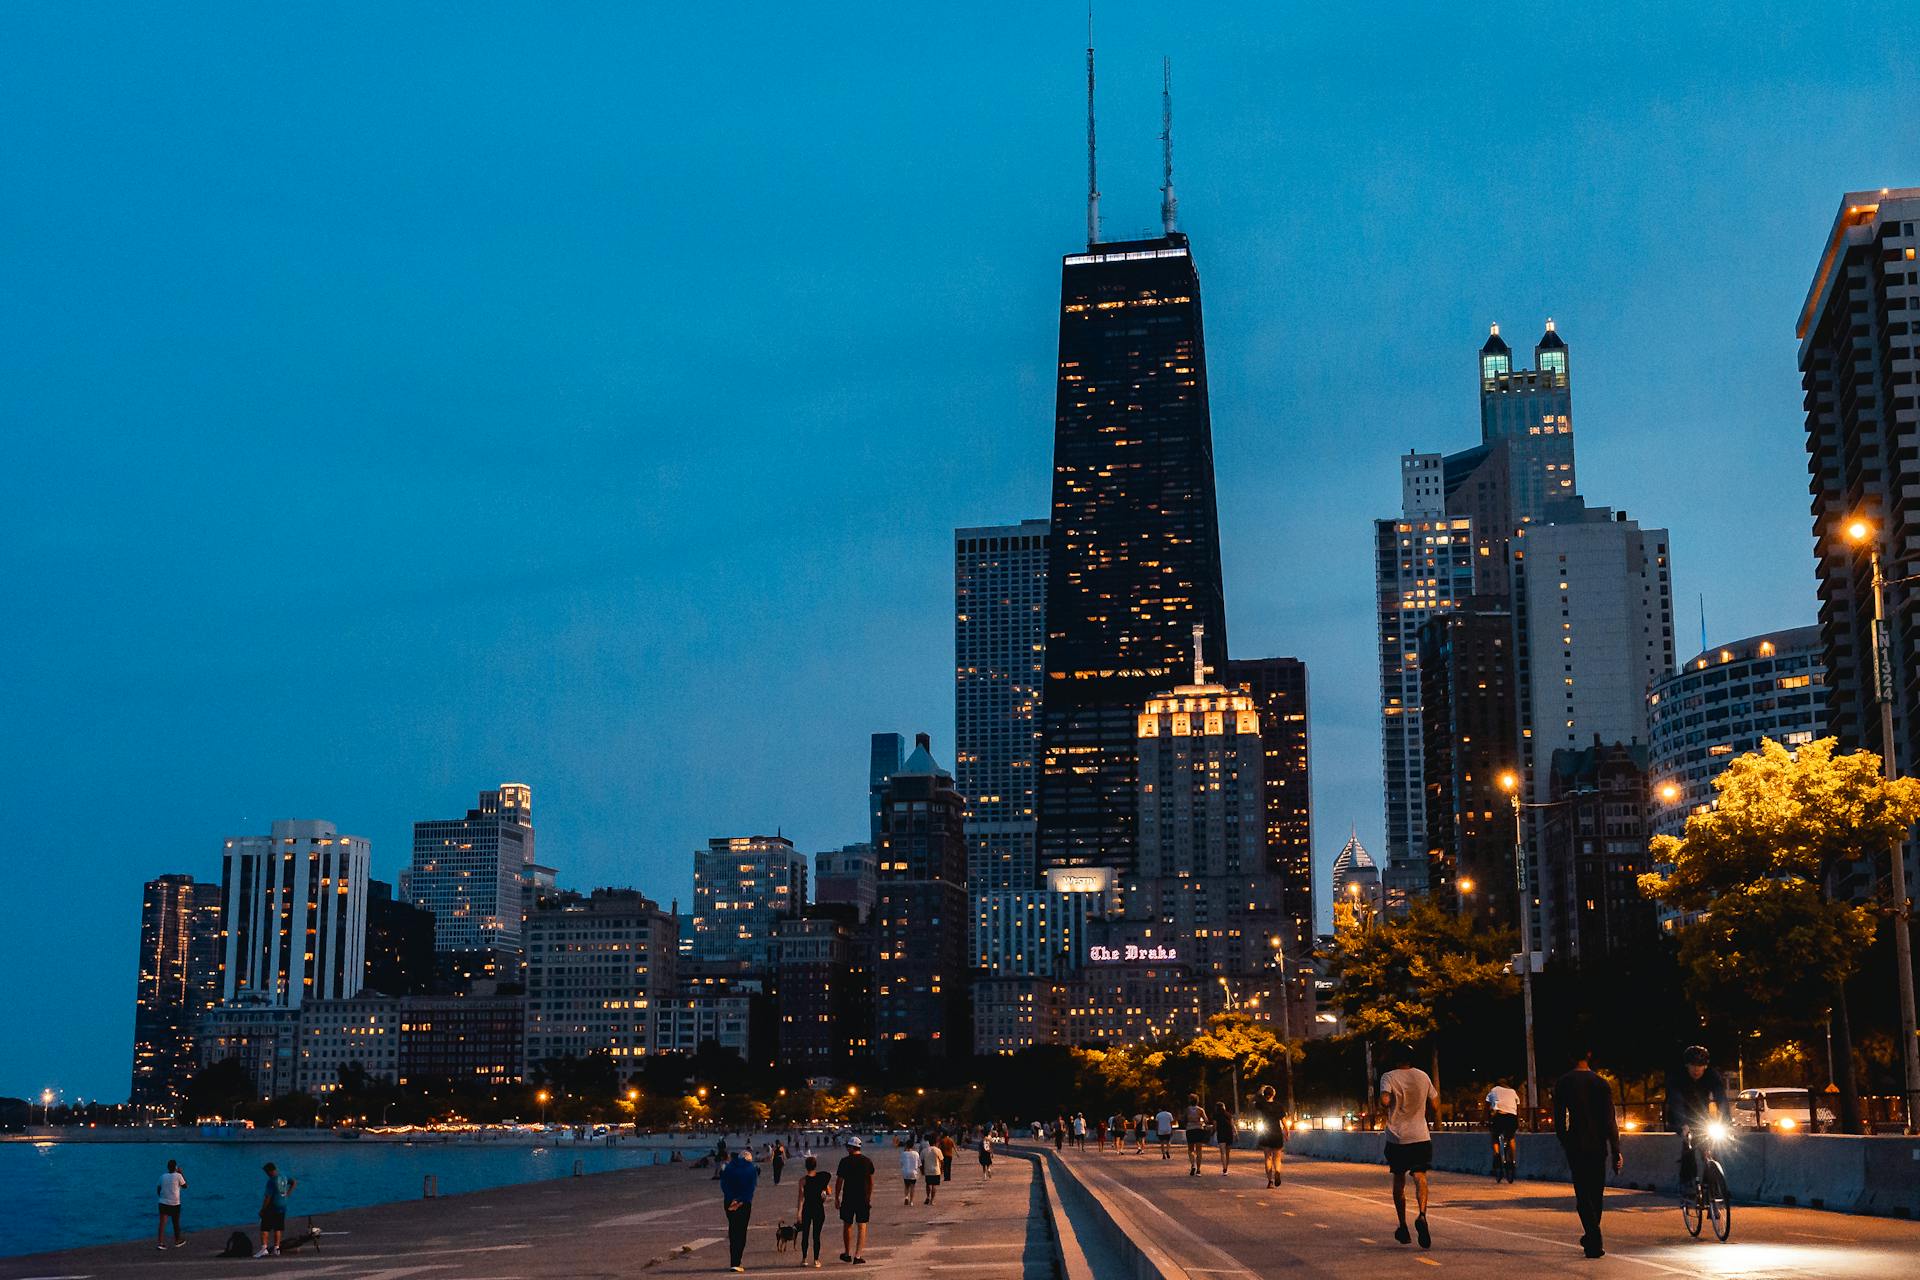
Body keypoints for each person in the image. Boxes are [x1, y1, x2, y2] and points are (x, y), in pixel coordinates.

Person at [1553, 1047, 1623, 1260]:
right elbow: (1610, 1120)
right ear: (1590, 1055)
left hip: (1576, 1145)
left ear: (1570, 1057)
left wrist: (1566, 1141)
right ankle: (1592, 1236)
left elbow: (1559, 1120)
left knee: (1582, 1193)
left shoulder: (1563, 1083)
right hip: (1598, 1145)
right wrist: (1616, 1150)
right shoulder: (1601, 1083)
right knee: (1596, 1193)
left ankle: (1593, 1238)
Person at [1379, 1044, 1438, 1250]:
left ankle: (1403, 1226)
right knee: (1420, 1175)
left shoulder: (1388, 1077)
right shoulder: (1423, 1076)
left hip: (1397, 1137)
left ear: (1395, 1059)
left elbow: (1385, 1100)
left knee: (1399, 1179)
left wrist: (1388, 1099)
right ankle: (1422, 1214)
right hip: (1420, 1135)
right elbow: (1436, 1103)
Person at [1664, 1045, 1731, 1184]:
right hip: (1681, 1115)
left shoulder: (1712, 1076)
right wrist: (1682, 1124)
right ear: (1686, 1065)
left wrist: (1726, 1122)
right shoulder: (1677, 1077)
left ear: (1706, 1066)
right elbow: (1676, 1102)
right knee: (1689, 1147)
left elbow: (1721, 1098)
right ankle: (1688, 1184)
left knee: (1712, 1150)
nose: (1696, 1069)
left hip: (1702, 1115)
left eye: (1700, 1065)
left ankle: (1710, 1186)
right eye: (1692, 1065)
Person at [834, 1136, 875, 1264]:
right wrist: (868, 1196)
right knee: (862, 1226)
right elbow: (870, 1181)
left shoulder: (844, 1161)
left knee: (847, 1225)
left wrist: (836, 1197)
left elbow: (839, 1181)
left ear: (852, 1148)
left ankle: (847, 1253)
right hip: (862, 1197)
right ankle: (858, 1255)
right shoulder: (867, 1161)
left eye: (848, 1147)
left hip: (848, 1197)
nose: (847, 1149)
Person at [255, 1162, 295, 1258]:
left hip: (272, 1206)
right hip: (282, 1205)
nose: (266, 1174)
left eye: (266, 1172)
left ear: (270, 1171)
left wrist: (262, 1210)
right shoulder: (284, 1176)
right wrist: (288, 1193)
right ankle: (276, 1248)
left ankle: (264, 1249)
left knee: (265, 1227)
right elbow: (294, 1182)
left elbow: (267, 1197)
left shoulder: (271, 1181)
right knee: (278, 1227)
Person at [1485, 1077, 1520, 1180]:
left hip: (1499, 1116)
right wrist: (1517, 1119)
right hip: (1512, 1117)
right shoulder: (1513, 1091)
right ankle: (1512, 1161)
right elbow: (1518, 1106)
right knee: (1511, 1138)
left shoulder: (1494, 1090)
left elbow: (1486, 1106)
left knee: (1495, 1136)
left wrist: (1485, 1119)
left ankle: (1496, 1155)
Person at [1253, 1085, 1287, 1187]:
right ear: (1273, 1094)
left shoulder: (1262, 1105)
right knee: (1277, 1157)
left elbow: (1254, 1100)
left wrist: (1260, 1091)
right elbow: (1284, 1121)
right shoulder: (1279, 1106)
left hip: (1266, 1132)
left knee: (1267, 1157)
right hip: (1277, 1132)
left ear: (1265, 1094)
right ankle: (1277, 1171)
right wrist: (1287, 1132)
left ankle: (1270, 1182)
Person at [156, 1158, 187, 1250]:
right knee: (176, 1222)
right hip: (175, 1202)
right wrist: (181, 1173)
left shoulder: (162, 1176)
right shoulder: (178, 1176)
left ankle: (160, 1243)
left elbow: (158, 1189)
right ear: (175, 1167)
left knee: (162, 1224)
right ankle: (177, 1240)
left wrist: (162, 1197)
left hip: (163, 1202)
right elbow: (185, 1186)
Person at [1212, 1100, 1235, 1174]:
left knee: (1223, 1152)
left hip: (1221, 1134)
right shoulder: (1229, 1115)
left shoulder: (1215, 1115)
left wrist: (1211, 1133)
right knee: (1227, 1152)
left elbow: (1215, 1127)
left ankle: (1224, 1169)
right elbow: (1232, 1125)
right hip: (1229, 1134)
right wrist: (1236, 1133)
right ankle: (1226, 1168)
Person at [919, 1133, 941, 1204]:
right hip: (936, 1170)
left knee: (928, 1184)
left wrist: (922, 1170)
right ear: (935, 1143)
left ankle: (928, 1196)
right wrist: (942, 1169)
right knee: (934, 1185)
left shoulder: (924, 1151)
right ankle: (932, 1200)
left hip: (927, 1170)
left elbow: (921, 1161)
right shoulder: (937, 1150)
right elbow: (942, 1160)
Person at [898, 1138, 921, 1205]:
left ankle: (906, 1197)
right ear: (913, 1146)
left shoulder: (903, 1154)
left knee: (906, 1186)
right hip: (913, 1173)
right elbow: (919, 1164)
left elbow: (901, 1164)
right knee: (912, 1187)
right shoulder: (916, 1154)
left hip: (905, 1172)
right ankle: (911, 1202)